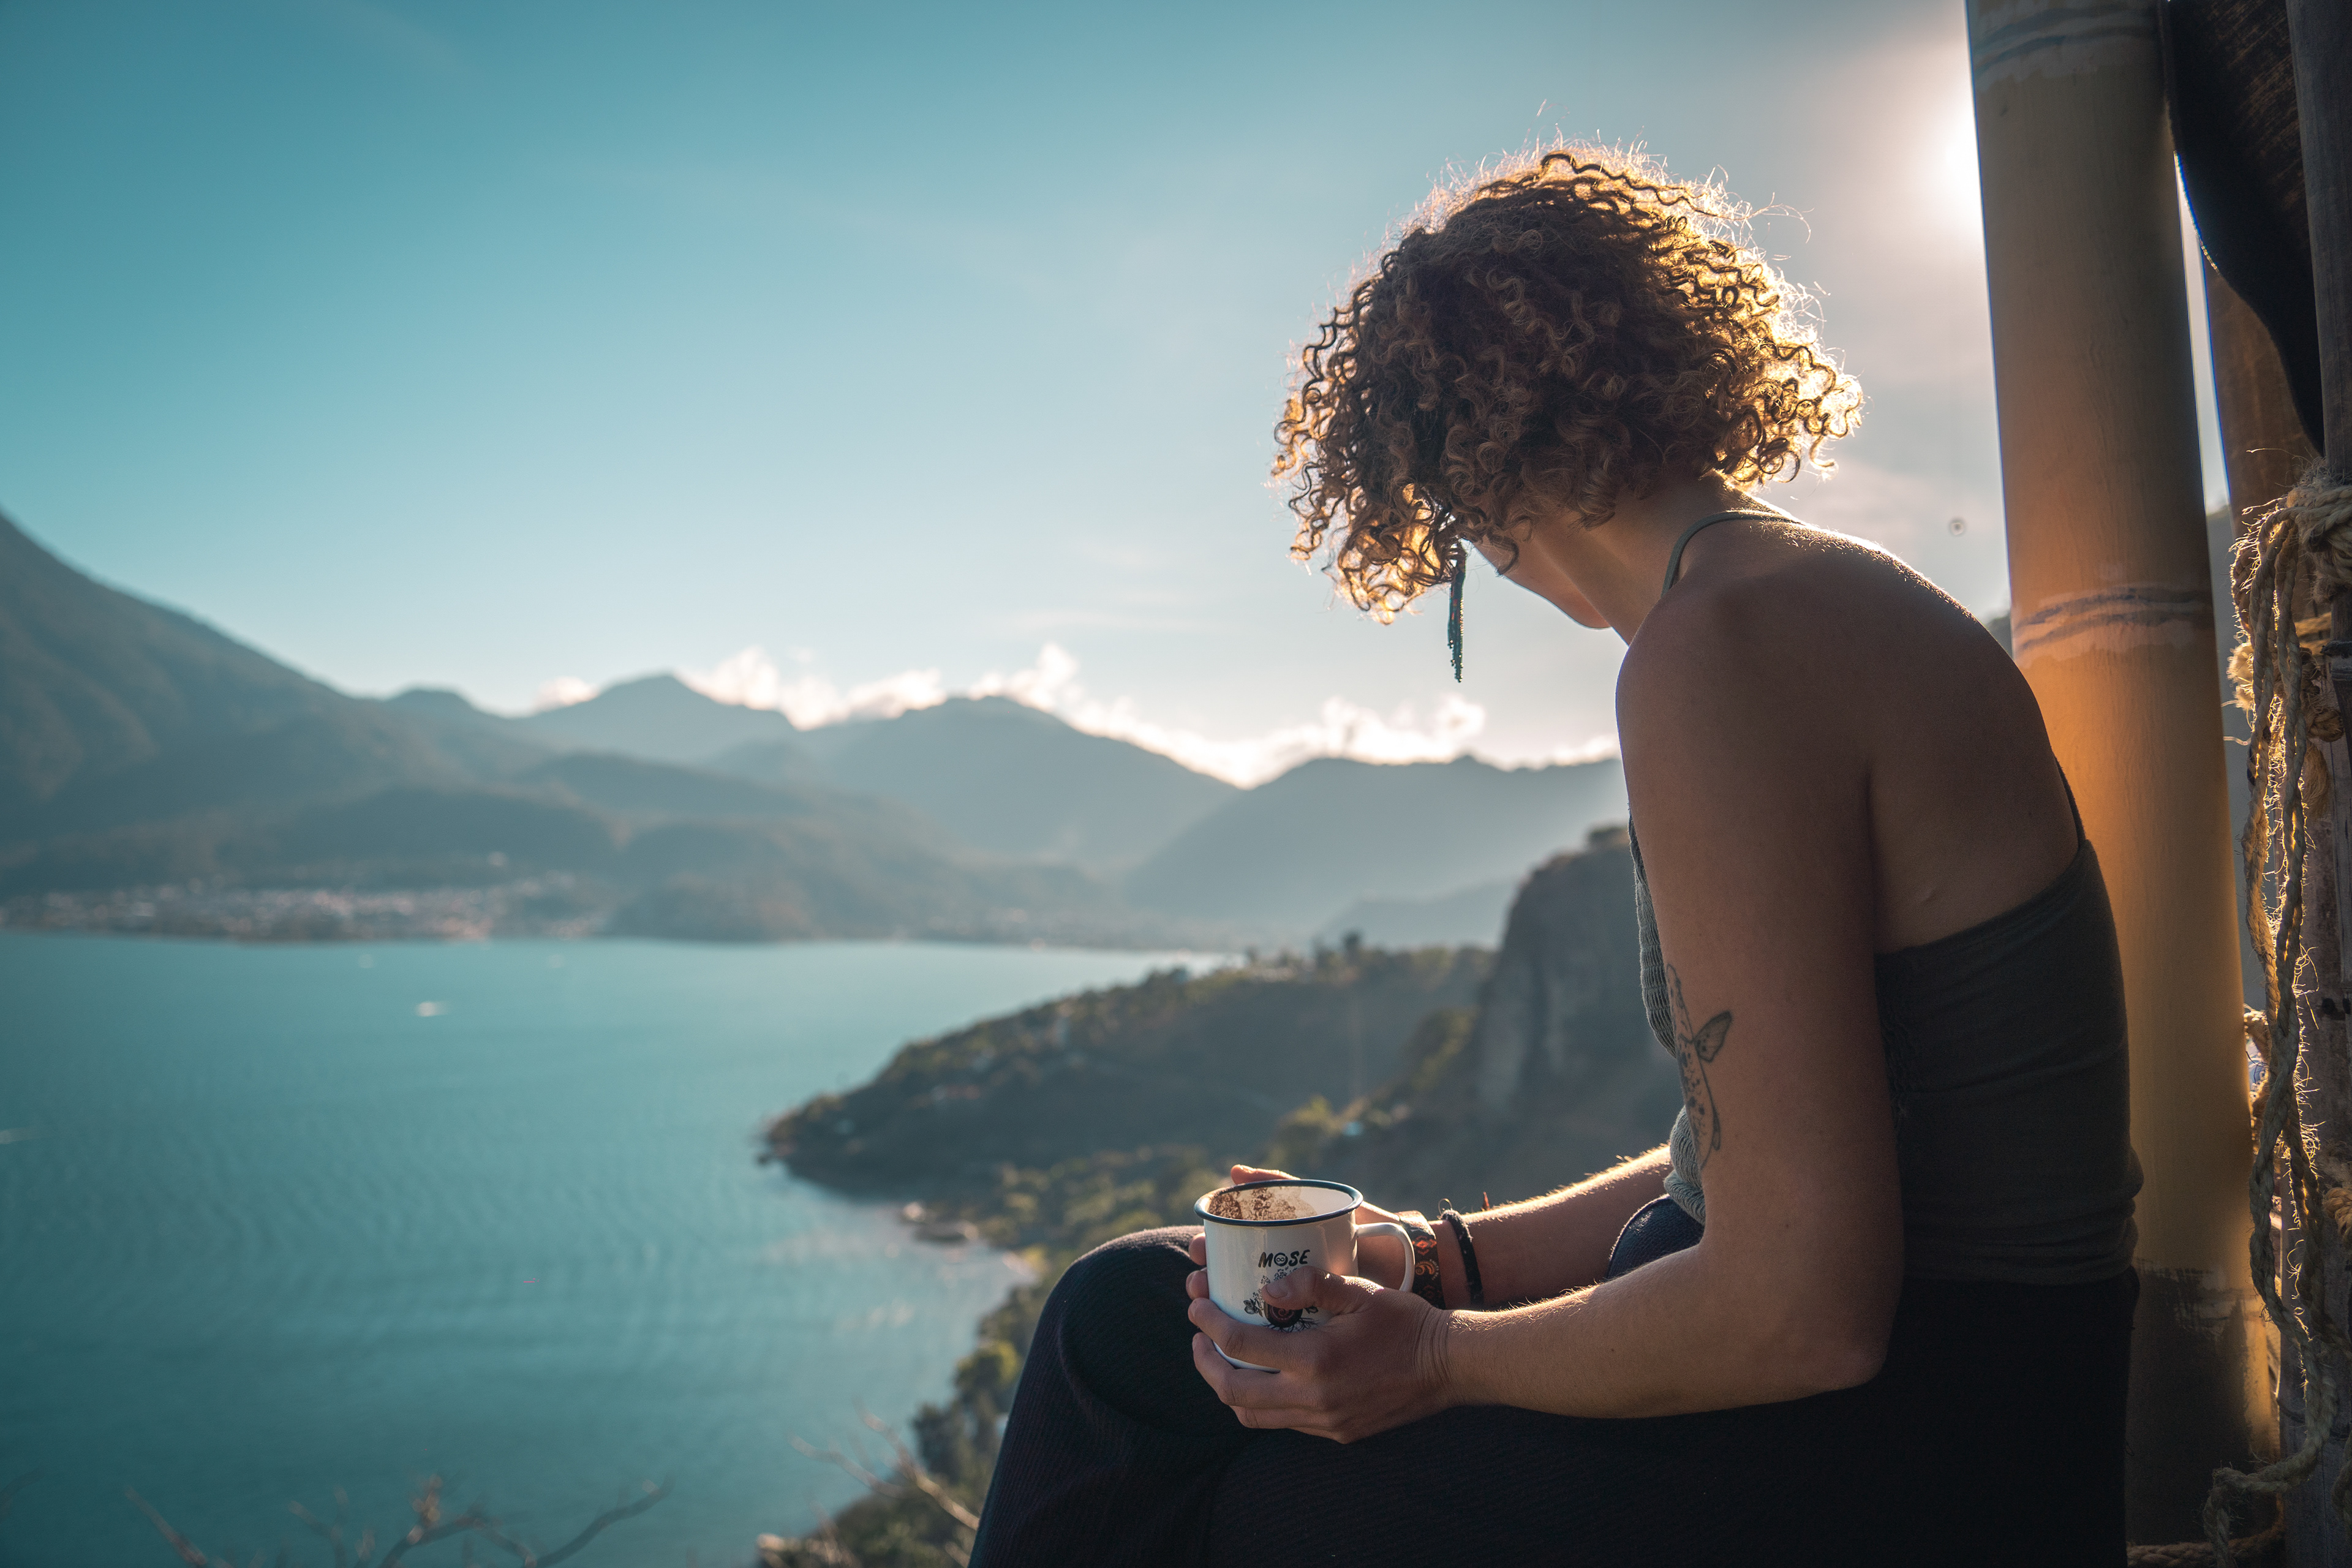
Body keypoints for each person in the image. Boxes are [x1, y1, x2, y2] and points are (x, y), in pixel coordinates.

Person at [967, 148, 2138, 1566]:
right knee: (1126, 1315)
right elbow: (1731, 1173)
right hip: (1981, 1404)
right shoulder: (1807, 600)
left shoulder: (1722, 656)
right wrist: (1435, 1254)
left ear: (1462, 469)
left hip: (1918, 1455)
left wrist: (1440, 1356)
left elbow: (1806, 1304)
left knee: (1243, 1498)